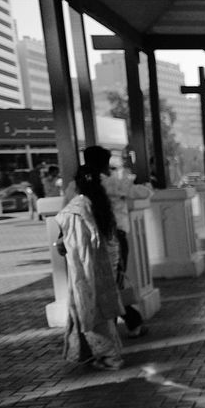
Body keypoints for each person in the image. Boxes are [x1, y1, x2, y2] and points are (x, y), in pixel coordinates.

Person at [74, 145, 151, 337]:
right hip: (113, 238)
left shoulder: (75, 186)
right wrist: (147, 184)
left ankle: (117, 326)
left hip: (86, 240)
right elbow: (143, 192)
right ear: (104, 163)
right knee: (115, 283)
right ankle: (125, 324)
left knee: (97, 285)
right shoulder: (110, 184)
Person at [56, 162, 124, 370]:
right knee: (101, 310)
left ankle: (110, 356)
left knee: (90, 311)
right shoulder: (99, 203)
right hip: (105, 265)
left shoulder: (77, 207)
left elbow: (73, 242)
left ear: (76, 184)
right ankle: (95, 353)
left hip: (85, 268)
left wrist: (60, 243)